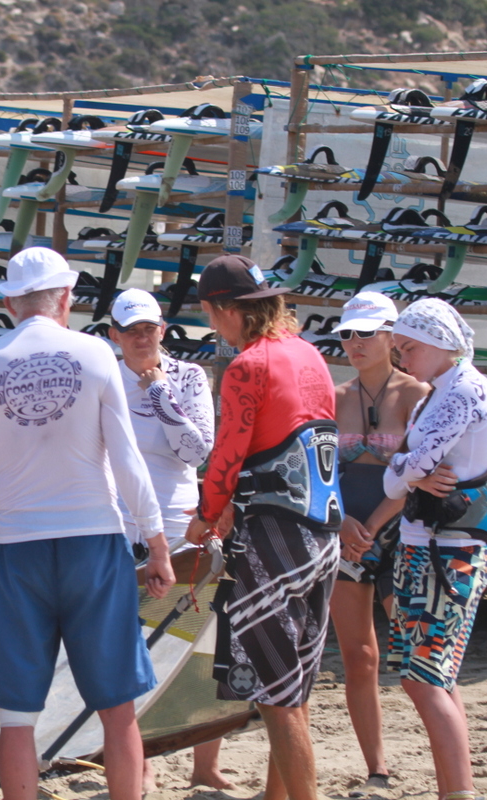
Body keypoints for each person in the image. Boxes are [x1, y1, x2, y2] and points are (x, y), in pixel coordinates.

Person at [0, 247, 175, 800]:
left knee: (15, 717)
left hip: (17, 546)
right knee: (117, 709)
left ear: (9, 303)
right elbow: (126, 459)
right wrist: (157, 543)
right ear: (67, 298)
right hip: (93, 541)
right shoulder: (94, 353)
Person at [185, 255, 342, 800]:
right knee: (294, 687)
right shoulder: (309, 354)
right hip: (324, 532)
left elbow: (228, 453)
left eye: (208, 313)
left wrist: (206, 514)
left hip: (276, 539)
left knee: (276, 697)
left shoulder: (247, 366)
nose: (210, 323)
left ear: (224, 309)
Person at [107, 288, 230, 791]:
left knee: (196, 644)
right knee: (127, 646)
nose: (142, 338)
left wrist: (160, 393)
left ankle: (205, 765)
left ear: (162, 330)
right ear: (114, 335)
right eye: (130, 331)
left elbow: (197, 452)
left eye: (149, 329)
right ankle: (141, 761)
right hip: (118, 523)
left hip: (179, 523)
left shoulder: (188, 376)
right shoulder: (104, 376)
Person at [383, 298, 487, 800]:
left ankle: (458, 792)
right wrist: (409, 471)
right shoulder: (442, 391)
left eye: (409, 348)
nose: (402, 359)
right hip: (431, 547)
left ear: (439, 343)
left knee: (424, 678)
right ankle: (456, 788)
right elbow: (399, 476)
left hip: (447, 552)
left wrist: (408, 470)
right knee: (432, 677)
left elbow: (405, 469)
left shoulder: (463, 389)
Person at [329, 292, 428, 800]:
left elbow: (424, 471)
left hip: (397, 530)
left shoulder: (417, 394)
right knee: (359, 656)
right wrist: (341, 521)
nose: (355, 343)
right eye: (347, 333)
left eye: (366, 333)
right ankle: (377, 769)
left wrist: (369, 525)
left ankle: (451, 769)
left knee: (418, 654)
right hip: (347, 534)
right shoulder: (336, 396)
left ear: (392, 336)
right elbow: (321, 470)